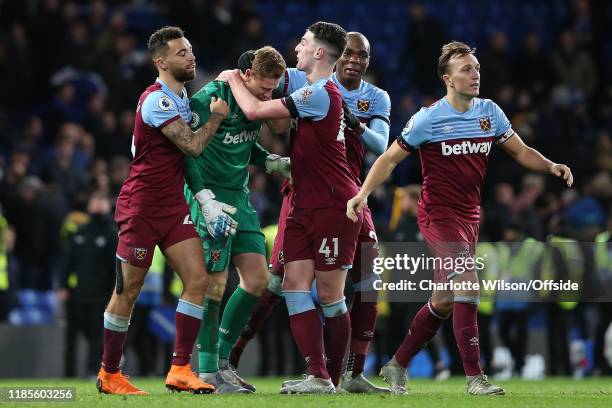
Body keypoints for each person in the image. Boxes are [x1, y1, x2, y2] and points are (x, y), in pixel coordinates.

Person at [346, 41, 573, 395]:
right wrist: (362, 193)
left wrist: (550, 166)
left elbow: (521, 151)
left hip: (469, 216)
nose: (475, 74)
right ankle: (474, 378)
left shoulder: (490, 112)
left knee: (445, 299)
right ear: (448, 79)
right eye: (466, 69)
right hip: (438, 215)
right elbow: (389, 159)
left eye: (477, 68)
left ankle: (396, 365)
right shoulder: (429, 118)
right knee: (468, 283)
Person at [228, 32, 391, 393]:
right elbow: (262, 78)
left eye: (302, 42)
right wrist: (243, 71)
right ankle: (313, 373)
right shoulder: (302, 80)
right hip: (303, 198)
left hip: (339, 199)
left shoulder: (335, 93)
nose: (296, 47)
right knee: (287, 284)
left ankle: (340, 375)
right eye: (348, 52)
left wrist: (228, 80)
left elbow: (381, 146)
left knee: (345, 289)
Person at [96, 26, 230, 395]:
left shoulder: (181, 96)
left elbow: (183, 158)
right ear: (161, 61)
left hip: (172, 205)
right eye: (182, 53)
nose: (191, 57)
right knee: (130, 289)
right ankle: (109, 373)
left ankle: (180, 369)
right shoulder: (157, 101)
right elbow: (192, 147)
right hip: (141, 206)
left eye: (190, 50)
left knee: (198, 281)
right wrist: (216, 117)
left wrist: (202, 197)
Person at [184, 45, 290, 393]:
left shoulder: (252, 105)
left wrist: (269, 160)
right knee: (214, 284)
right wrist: (202, 199)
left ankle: (224, 361)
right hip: (209, 197)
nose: (267, 94)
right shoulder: (210, 98)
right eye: (263, 86)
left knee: (258, 279)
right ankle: (207, 370)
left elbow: (243, 144)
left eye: (273, 89)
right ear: (246, 75)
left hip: (239, 197)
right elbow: (187, 149)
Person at [59, 191, 117, 378]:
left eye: (102, 200)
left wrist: (114, 293)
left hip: (101, 294)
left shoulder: (112, 233)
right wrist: (63, 286)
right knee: (71, 336)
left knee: (96, 335)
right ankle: (69, 373)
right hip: (77, 293)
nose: (98, 204)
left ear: (108, 206)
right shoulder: (80, 231)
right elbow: (67, 261)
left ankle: (93, 370)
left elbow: (115, 268)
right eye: (95, 200)